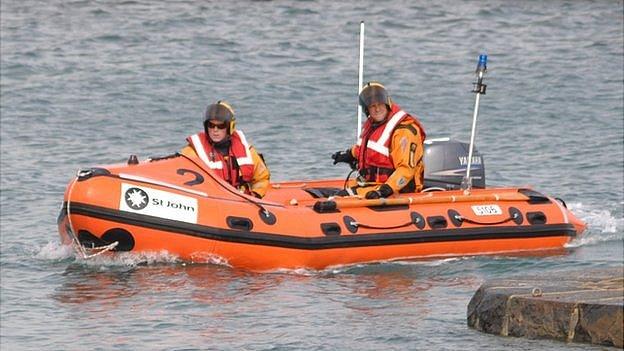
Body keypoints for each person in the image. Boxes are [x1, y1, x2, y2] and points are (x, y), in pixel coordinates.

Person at [332, 81, 426, 199]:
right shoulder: (373, 124)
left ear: (387, 104)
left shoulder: (404, 131)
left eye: (380, 104)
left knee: (341, 198)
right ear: (367, 109)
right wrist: (349, 154)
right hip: (372, 185)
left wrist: (386, 189)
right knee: (337, 195)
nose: (377, 109)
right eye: (372, 106)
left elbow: (406, 170)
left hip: (397, 189)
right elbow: (367, 149)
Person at [181, 100, 270, 198]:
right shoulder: (193, 151)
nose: (215, 130)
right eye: (211, 125)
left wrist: (255, 195)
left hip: (241, 202)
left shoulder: (247, 150)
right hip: (209, 200)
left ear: (229, 127)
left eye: (221, 126)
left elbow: (262, 178)